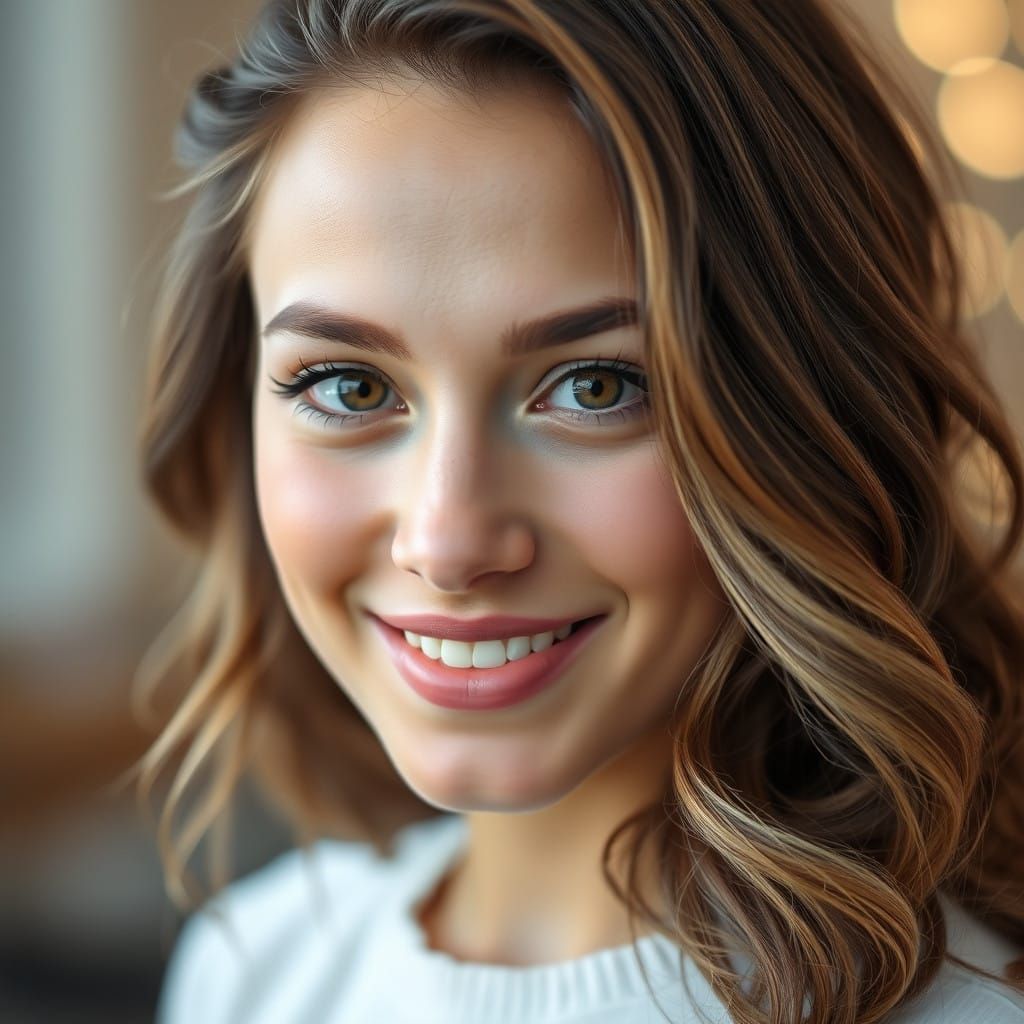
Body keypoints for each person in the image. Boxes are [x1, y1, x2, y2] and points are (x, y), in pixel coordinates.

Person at [136, 0, 1024, 1021]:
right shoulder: (252, 971)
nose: (447, 540)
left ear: (815, 413)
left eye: (597, 388)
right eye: (349, 386)